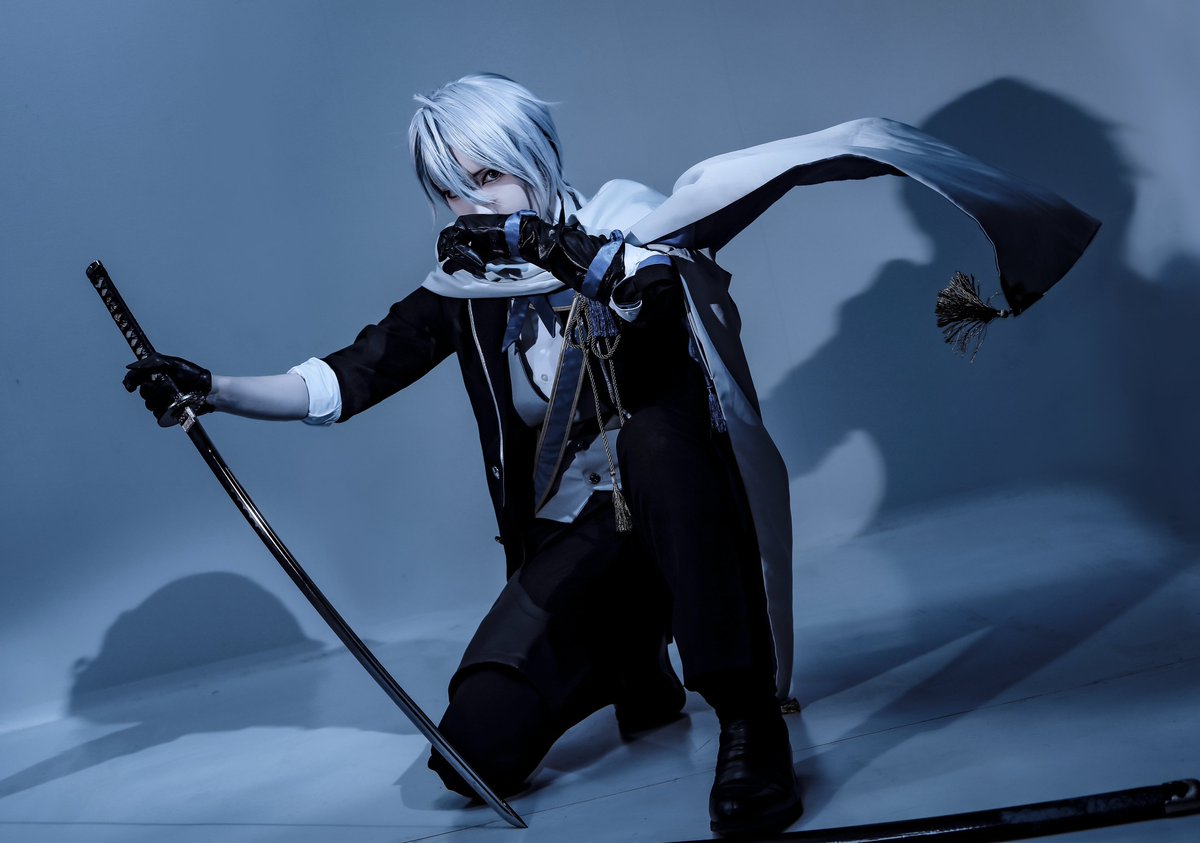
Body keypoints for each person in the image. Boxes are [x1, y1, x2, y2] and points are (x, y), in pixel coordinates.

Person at [124, 73, 1098, 837]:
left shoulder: (633, 226)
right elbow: (347, 376)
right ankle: (635, 667)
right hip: (586, 544)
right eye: (449, 190)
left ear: (537, 162)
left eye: (488, 178)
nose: (469, 206)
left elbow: (652, 291)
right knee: (473, 753)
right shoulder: (462, 292)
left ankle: (746, 719)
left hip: (683, 516)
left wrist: (561, 251)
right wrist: (213, 388)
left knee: (659, 437)